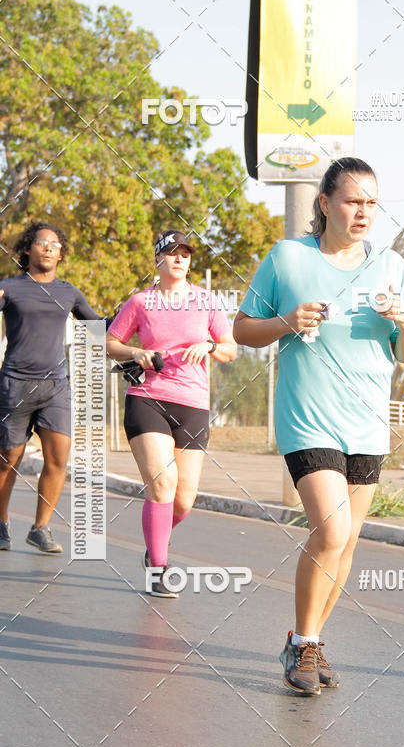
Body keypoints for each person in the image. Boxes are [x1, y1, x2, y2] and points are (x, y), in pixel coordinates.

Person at [233, 157, 404, 695]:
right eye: (352, 200)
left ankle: (308, 639)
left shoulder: (391, 266)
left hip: (366, 426)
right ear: (324, 204)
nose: (363, 211)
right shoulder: (288, 258)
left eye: (371, 202)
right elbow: (243, 329)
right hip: (307, 420)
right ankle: (303, 645)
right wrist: (286, 323)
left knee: (345, 546)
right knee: (331, 532)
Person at [107, 230, 236, 598]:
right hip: (148, 398)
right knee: (162, 485)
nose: (179, 258)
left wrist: (209, 345)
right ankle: (159, 569)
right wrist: (136, 354)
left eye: (185, 253)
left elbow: (230, 350)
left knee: (183, 500)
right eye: (171, 252)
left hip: (193, 404)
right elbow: (110, 342)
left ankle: (155, 547)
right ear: (157, 260)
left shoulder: (206, 301)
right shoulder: (141, 302)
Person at [0, 221, 102, 553]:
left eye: (54, 244)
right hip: (15, 385)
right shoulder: (10, 288)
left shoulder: (68, 292)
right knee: (7, 460)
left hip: (56, 387)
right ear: (27, 249)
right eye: (41, 242)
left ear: (61, 254)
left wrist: (133, 315)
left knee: (58, 457)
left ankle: (40, 528)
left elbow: (98, 326)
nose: (48, 247)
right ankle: (1, 525)